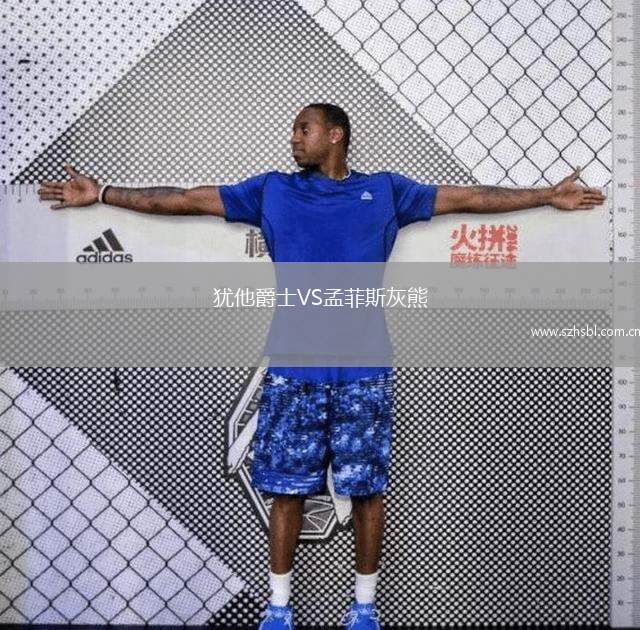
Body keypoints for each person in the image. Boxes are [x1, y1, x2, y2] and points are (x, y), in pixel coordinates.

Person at [37, 103, 606, 630]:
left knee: (367, 490)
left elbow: (470, 198)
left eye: (303, 130)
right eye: (293, 131)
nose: (293, 139)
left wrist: (544, 196)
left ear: (336, 135)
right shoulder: (272, 191)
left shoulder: (387, 191)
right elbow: (185, 199)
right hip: (294, 368)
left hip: (364, 369)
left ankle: (364, 609)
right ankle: (278, 609)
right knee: (286, 490)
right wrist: (104, 193)